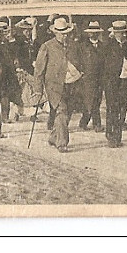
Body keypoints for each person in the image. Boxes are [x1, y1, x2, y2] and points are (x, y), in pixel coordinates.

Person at [33, 17, 85, 153]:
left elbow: (80, 61)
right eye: (62, 33)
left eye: (66, 33)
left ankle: (54, 136)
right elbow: (39, 70)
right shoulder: (46, 47)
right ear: (55, 33)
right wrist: (38, 89)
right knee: (61, 111)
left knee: (68, 113)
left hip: (72, 84)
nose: (65, 35)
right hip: (54, 86)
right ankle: (62, 143)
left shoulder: (73, 46)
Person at [101, 20, 127, 147]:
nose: (122, 35)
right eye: (119, 33)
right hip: (112, 81)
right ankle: (110, 135)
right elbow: (104, 65)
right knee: (112, 108)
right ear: (115, 33)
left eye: (123, 33)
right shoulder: (108, 45)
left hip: (126, 80)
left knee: (123, 108)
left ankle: (117, 137)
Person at [78, 21, 106, 133]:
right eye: (91, 32)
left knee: (96, 100)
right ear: (88, 34)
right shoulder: (82, 46)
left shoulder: (103, 46)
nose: (93, 34)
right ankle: (97, 124)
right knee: (90, 101)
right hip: (87, 78)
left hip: (100, 78)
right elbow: (78, 61)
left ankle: (83, 122)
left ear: (98, 33)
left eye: (95, 32)